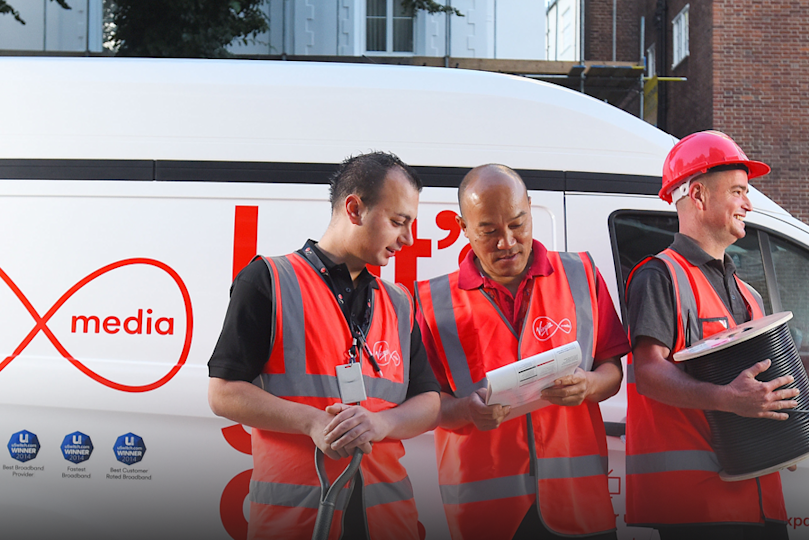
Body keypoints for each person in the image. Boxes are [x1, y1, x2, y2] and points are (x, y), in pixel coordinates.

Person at [208, 152, 442, 540]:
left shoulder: (398, 302)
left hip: (387, 522)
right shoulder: (268, 279)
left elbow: (428, 401)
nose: (408, 238)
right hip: (295, 522)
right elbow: (223, 393)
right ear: (354, 208)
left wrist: (382, 423)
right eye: (398, 221)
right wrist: (313, 422)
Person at [414, 164, 628, 540]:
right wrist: (464, 410)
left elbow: (612, 370)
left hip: (579, 506)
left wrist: (589, 385)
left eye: (517, 224)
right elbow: (425, 405)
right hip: (485, 513)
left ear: (530, 208)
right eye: (489, 231)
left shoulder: (581, 274)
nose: (507, 242)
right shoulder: (431, 303)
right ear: (463, 228)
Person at [622, 131, 800, 540]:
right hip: (699, 508)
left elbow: (755, 386)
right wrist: (728, 399)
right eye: (738, 191)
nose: (748, 203)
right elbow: (648, 374)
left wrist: (785, 426)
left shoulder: (746, 293)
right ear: (698, 196)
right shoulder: (659, 276)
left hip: (757, 502)